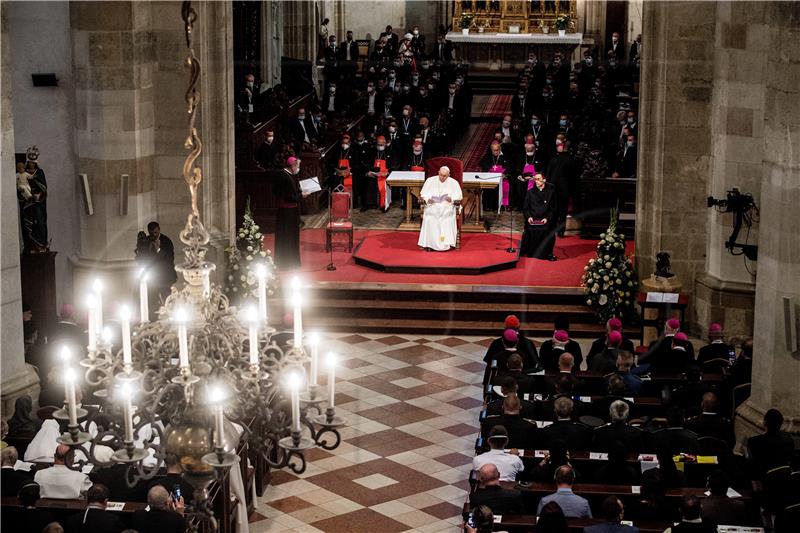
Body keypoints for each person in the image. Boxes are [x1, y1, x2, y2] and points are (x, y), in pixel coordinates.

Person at [417, 166, 462, 251]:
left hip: (448, 207)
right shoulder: (430, 181)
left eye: (445, 176)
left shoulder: (454, 183)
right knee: (430, 218)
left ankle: (445, 244)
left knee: (446, 219)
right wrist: (428, 199)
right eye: (441, 175)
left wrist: (451, 199)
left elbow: (458, 197)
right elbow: (423, 194)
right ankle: (430, 244)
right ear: (438, 172)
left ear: (449, 175)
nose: (442, 177)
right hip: (433, 206)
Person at [274, 157, 305, 270]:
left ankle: (291, 262)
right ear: (292, 166)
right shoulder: (283, 176)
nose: (298, 169)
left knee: (290, 237)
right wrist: (302, 196)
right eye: (297, 166)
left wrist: (299, 191)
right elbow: (288, 197)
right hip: (287, 213)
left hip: (289, 212)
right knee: (287, 238)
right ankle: (287, 263)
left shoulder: (288, 175)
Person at [746, 408, 795, 479]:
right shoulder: (789, 440)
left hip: (764, 480)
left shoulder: (754, 441)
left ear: (764, 423)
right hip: (784, 479)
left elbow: (753, 466)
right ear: (781, 424)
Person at [520, 173, 557, 260]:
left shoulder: (551, 193)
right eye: (535, 179)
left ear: (544, 180)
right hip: (533, 218)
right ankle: (531, 252)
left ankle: (546, 253)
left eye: (538, 179)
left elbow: (553, 209)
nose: (536, 181)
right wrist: (529, 217)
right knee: (530, 229)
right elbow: (525, 208)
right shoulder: (530, 192)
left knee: (547, 229)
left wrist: (547, 218)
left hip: (545, 219)